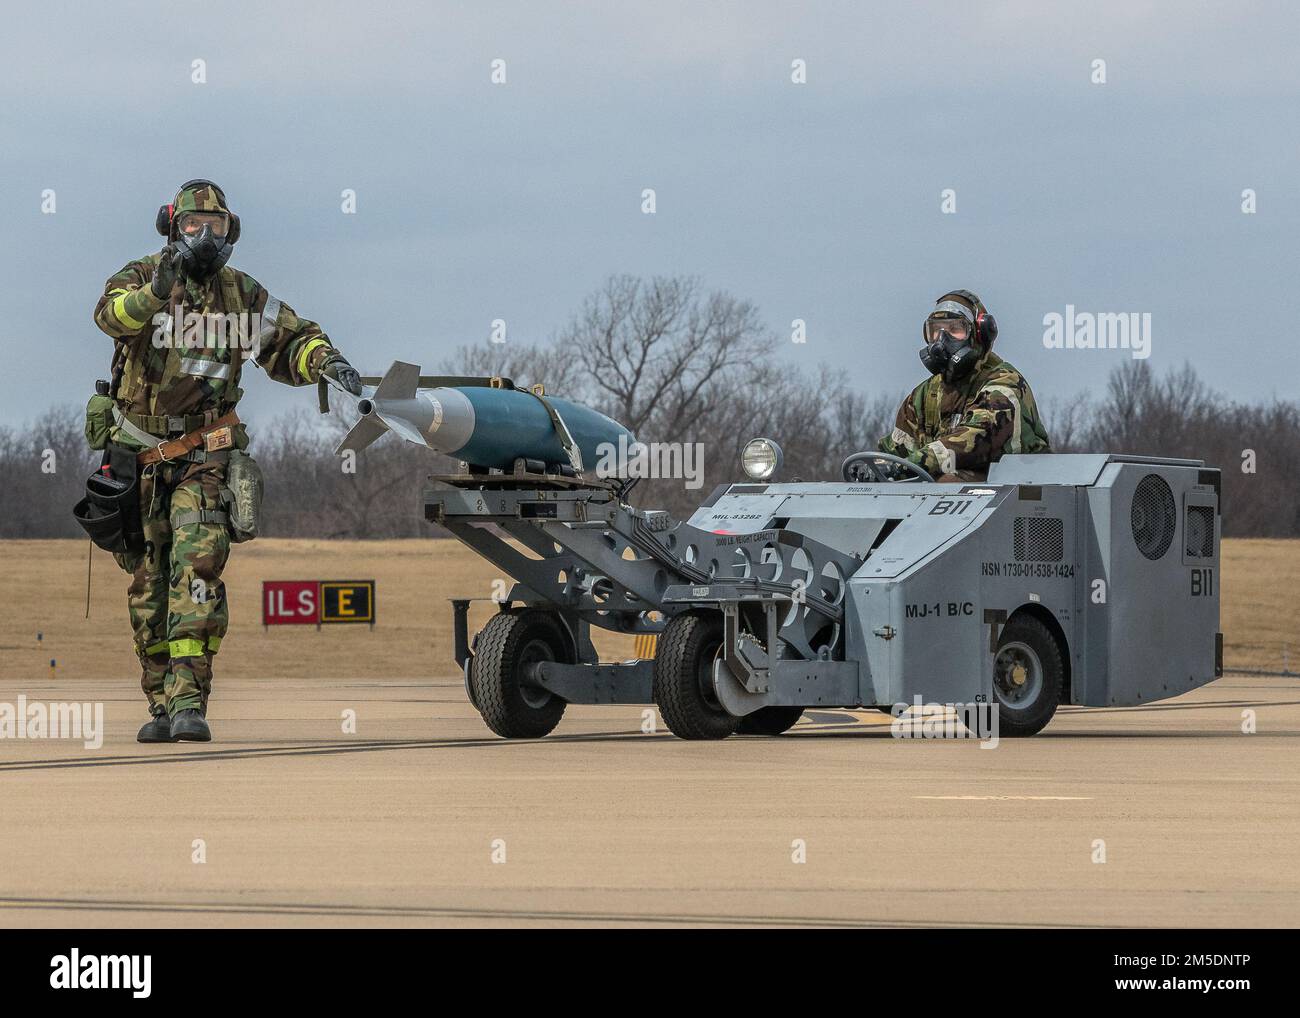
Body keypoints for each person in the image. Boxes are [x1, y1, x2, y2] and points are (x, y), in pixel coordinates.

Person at [92, 179, 362, 743]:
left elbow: (289, 339)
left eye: (215, 228)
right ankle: (160, 704)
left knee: (197, 571)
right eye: (193, 227)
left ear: (230, 232)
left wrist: (326, 363)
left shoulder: (240, 294)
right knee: (147, 588)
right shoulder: (140, 276)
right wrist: (153, 293)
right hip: (137, 457)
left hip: (205, 456)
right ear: (173, 227)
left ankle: (190, 701)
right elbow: (110, 317)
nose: (204, 237)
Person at [878, 289, 1050, 481]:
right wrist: (879, 470)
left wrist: (917, 463)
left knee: (948, 483)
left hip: (1016, 491)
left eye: (955, 330)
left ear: (978, 333)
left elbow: (977, 439)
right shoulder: (923, 395)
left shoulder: (1004, 385)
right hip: (950, 499)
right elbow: (897, 452)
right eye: (936, 331)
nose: (942, 340)